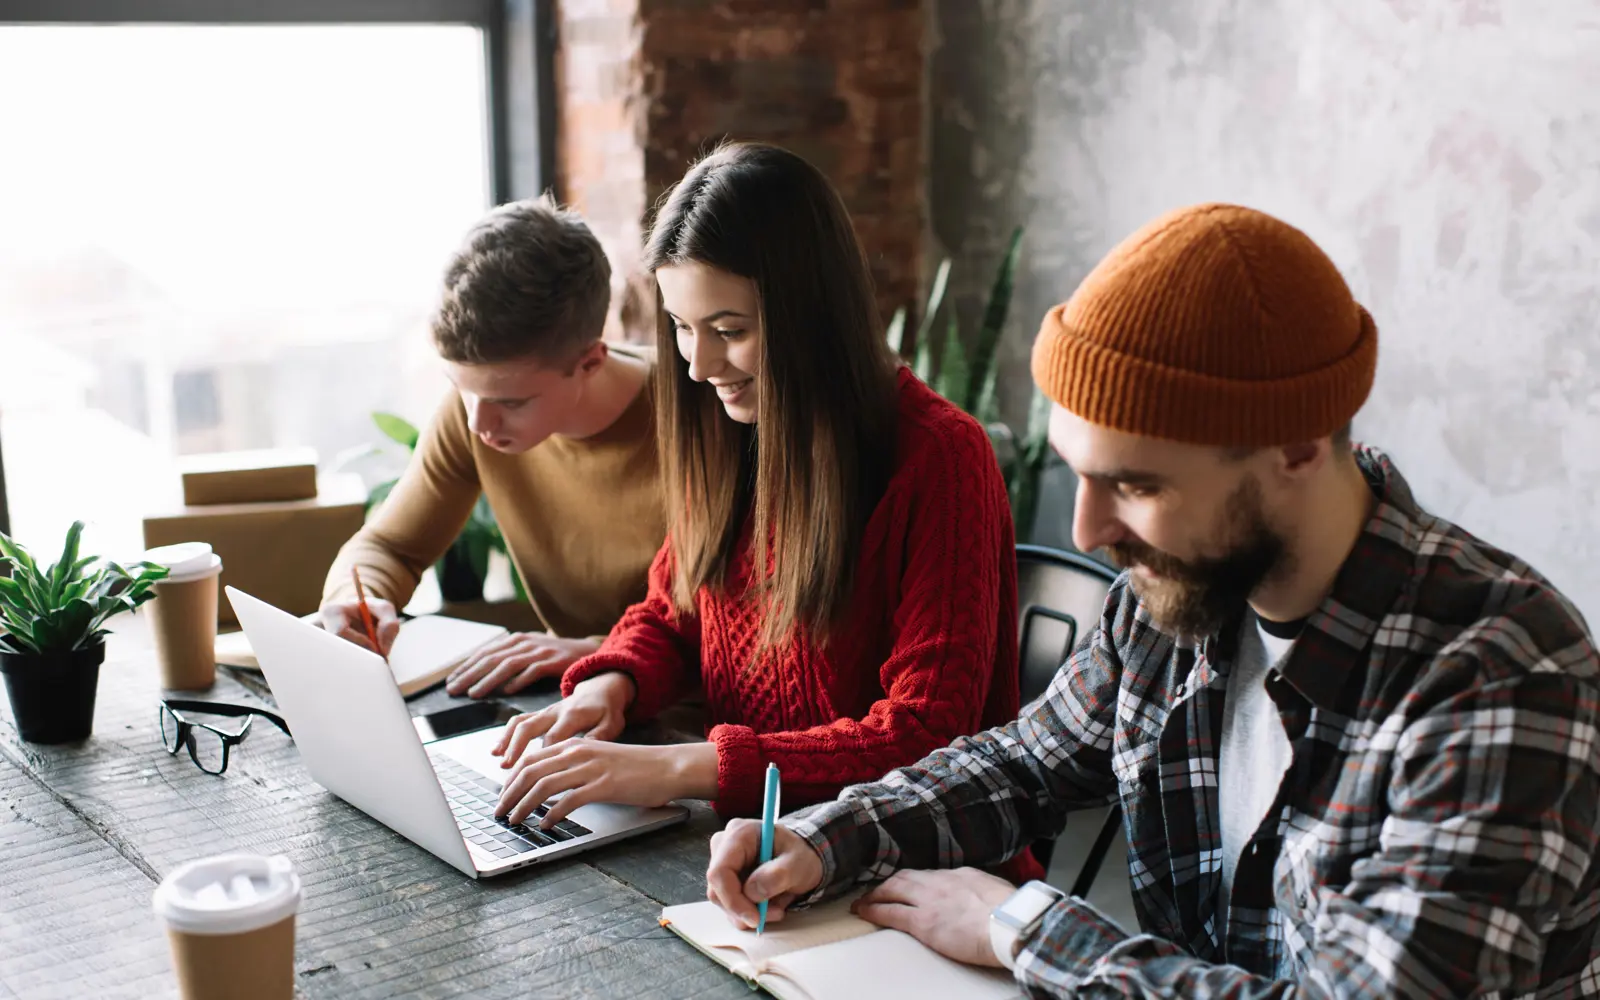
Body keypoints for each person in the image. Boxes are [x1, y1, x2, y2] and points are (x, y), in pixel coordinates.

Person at [703, 203, 1600, 997]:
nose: (1089, 530)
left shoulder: (1504, 677)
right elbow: (1026, 764)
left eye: (1135, 485)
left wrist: (1024, 929)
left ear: (1295, 448)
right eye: (1079, 475)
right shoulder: (1174, 595)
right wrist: (828, 838)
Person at [490, 143, 1029, 866]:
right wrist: (611, 685)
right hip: (751, 846)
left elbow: (925, 736)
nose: (697, 365)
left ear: (811, 313)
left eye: (729, 331)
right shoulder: (727, 428)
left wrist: (681, 768)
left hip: (906, 870)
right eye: (681, 326)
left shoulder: (941, 456)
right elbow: (672, 614)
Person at [320, 197, 665, 698]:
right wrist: (360, 599)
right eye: (462, 389)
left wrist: (600, 650)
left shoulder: (698, 411)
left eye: (511, 402)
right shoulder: (476, 409)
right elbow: (390, 547)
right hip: (576, 697)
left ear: (590, 363)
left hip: (704, 712)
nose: (478, 423)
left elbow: (752, 622)